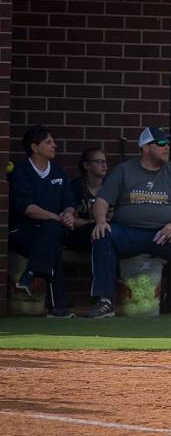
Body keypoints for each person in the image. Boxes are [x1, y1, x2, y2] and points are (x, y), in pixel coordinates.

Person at [86, 126, 171, 319]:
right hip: (129, 233)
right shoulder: (124, 170)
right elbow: (102, 201)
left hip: (164, 235)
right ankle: (105, 301)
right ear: (146, 147)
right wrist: (101, 221)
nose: (167, 147)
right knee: (103, 235)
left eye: (168, 143)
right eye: (161, 143)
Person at [7, 125, 76, 318]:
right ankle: (58, 307)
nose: (54, 145)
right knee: (51, 241)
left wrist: (69, 214)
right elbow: (27, 208)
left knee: (51, 236)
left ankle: (30, 275)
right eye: (49, 142)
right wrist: (58, 218)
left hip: (51, 230)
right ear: (35, 147)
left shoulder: (58, 171)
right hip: (22, 231)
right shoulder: (21, 171)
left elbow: (69, 202)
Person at [66, 147, 108, 252]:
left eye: (105, 161)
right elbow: (71, 221)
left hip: (105, 233)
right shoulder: (75, 187)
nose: (104, 165)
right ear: (86, 165)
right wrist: (93, 222)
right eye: (98, 161)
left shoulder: (110, 186)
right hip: (80, 235)